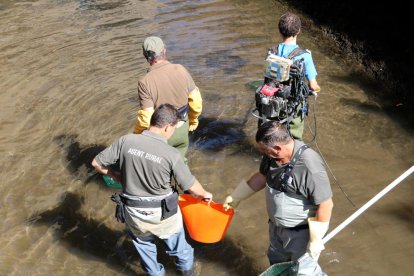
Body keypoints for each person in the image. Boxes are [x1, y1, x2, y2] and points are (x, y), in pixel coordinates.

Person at [92, 104, 213, 276]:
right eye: (173, 128)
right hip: (163, 215)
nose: (172, 133)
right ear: (166, 127)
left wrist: (117, 176)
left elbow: (96, 163)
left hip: (134, 213)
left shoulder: (126, 140)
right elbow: (190, 185)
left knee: (145, 251)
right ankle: (188, 273)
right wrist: (205, 194)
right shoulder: (171, 154)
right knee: (181, 251)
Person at [223, 121, 333, 275]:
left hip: (301, 234)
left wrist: (315, 240)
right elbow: (262, 176)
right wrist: (236, 196)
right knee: (277, 263)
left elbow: (326, 204)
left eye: (264, 150)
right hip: (276, 228)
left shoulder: (309, 166)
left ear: (277, 148)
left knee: (304, 272)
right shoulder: (272, 156)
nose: (262, 153)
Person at [133, 36, 203, 162]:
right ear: (164, 51)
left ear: (145, 56)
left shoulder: (144, 82)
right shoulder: (180, 69)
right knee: (180, 164)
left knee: (159, 167)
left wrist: (137, 136)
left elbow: (146, 119)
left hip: (162, 133)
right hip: (182, 127)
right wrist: (193, 120)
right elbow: (196, 101)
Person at [260, 12, 321, 140]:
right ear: (298, 30)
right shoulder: (305, 56)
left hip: (272, 100)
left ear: (279, 30)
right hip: (293, 104)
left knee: (271, 133)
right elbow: (313, 85)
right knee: (293, 137)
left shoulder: (272, 51)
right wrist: (315, 90)